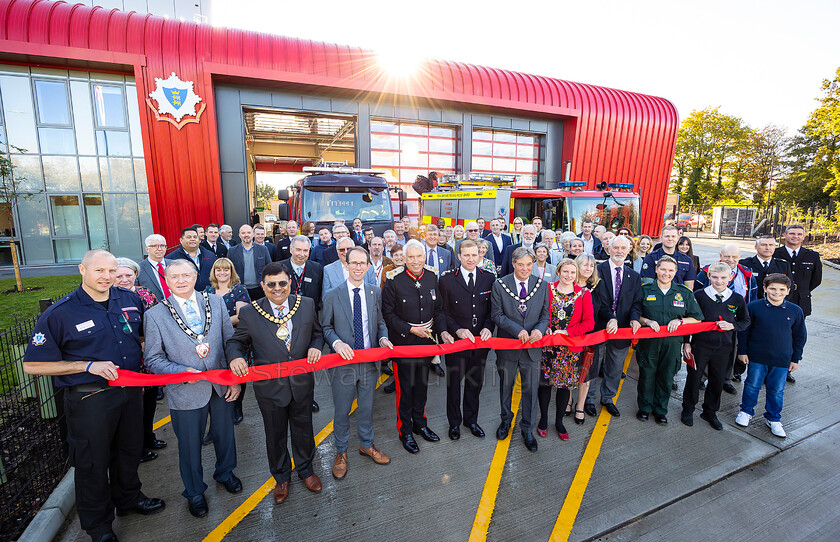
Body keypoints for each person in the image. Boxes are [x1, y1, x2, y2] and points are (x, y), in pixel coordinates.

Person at [22, 249, 165, 542]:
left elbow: (139, 335)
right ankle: (99, 526)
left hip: (130, 392)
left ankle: (128, 498)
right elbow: (32, 364)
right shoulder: (61, 313)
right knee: (92, 463)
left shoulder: (129, 299)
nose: (107, 277)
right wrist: (86, 365)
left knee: (129, 449)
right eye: (99, 270)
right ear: (82, 270)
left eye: (112, 271)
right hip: (90, 399)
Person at [144, 260, 242, 518]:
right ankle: (195, 491)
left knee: (225, 434)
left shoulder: (216, 303)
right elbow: (153, 359)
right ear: (166, 279)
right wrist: (178, 372)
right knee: (189, 444)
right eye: (174, 276)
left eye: (186, 275)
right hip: (185, 390)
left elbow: (231, 341)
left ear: (195, 275)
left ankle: (225, 472)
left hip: (221, 384)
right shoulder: (155, 314)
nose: (181, 280)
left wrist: (234, 378)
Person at [228, 262, 324, 504]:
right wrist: (236, 356)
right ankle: (281, 476)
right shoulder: (250, 312)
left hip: (301, 383)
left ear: (290, 283)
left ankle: (306, 470)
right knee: (275, 434)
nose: (278, 289)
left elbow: (317, 333)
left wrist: (315, 346)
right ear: (262, 285)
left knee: (304, 430)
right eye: (271, 284)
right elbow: (235, 342)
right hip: (270, 388)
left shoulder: (306, 304)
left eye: (283, 283)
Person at [321, 246, 393, 479]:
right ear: (347, 265)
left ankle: (366, 444)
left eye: (363, 263)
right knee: (342, 411)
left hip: (369, 363)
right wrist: (337, 344)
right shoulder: (332, 294)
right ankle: (341, 452)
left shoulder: (374, 292)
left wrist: (383, 337)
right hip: (343, 364)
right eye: (354, 263)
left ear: (368, 266)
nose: (359, 267)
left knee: (367, 407)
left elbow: (380, 321)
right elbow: (326, 327)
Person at [382, 240, 448, 454]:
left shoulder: (431, 276)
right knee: (405, 390)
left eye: (419, 256)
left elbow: (437, 308)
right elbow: (388, 314)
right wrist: (410, 330)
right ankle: (406, 430)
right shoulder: (394, 280)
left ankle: (420, 423)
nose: (416, 261)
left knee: (422, 386)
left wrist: (442, 331)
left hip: (427, 342)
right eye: (411, 257)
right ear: (404, 258)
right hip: (404, 343)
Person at [491, 246, 550, 452]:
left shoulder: (542, 285)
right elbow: (497, 315)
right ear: (513, 264)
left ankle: (528, 428)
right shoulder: (500, 285)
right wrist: (517, 330)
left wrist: (540, 331)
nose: (525, 269)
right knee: (506, 387)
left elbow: (545, 316)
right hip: (508, 347)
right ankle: (505, 420)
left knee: (531, 390)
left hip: (532, 349)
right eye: (521, 265)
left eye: (528, 264)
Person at [735, 274, 807, 438]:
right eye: (773, 288)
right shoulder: (754, 307)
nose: (777, 292)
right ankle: (746, 411)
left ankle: (773, 418)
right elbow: (745, 332)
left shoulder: (795, 311)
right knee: (752, 385)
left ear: (788, 291)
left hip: (782, 359)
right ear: (765, 289)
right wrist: (743, 351)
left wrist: (796, 358)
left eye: (782, 289)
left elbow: (800, 336)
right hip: (757, 356)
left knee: (776, 390)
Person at [680, 262, 750, 430]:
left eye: (723, 277)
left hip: (724, 347)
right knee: (694, 378)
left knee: (717, 381)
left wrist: (733, 326)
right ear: (709, 276)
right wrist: (687, 342)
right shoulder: (699, 295)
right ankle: (688, 409)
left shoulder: (736, 298)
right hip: (700, 346)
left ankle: (710, 411)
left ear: (730, 277)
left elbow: (745, 320)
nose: (719, 281)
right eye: (715, 277)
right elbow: (688, 319)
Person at [438, 240, 495, 440]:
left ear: (480, 255)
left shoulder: (488, 278)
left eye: (475, 254)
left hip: (480, 344)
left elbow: (492, 311)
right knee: (453, 385)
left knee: (475, 383)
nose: (471, 258)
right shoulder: (446, 280)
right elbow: (442, 311)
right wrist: (456, 330)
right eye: (467, 255)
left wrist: (488, 327)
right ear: (459, 256)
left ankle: (471, 420)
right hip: (456, 343)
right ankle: (454, 423)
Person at [636, 256, 703, 424]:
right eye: (663, 269)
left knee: (666, 377)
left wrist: (680, 321)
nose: (666, 273)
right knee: (647, 375)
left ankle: (660, 410)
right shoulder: (645, 289)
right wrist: (647, 321)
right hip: (649, 342)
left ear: (675, 272)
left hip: (673, 343)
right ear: (656, 270)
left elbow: (697, 318)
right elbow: (636, 314)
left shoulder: (683, 292)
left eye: (670, 270)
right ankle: (644, 408)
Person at [115, 258, 166, 463]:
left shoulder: (145, 294)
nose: (124, 279)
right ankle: (137, 448)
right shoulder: (110, 297)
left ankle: (149, 437)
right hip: (127, 359)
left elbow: (158, 319)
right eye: (119, 276)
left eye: (129, 275)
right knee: (133, 407)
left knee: (150, 401)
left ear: (136, 275)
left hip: (148, 357)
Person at [536, 258, 594, 441]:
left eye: (572, 272)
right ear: (558, 272)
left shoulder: (583, 294)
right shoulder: (546, 289)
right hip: (547, 347)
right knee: (544, 385)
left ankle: (559, 422)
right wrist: (543, 326)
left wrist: (567, 331)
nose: (569, 276)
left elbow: (589, 323)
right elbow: (538, 312)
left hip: (569, 349)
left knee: (564, 387)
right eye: (565, 272)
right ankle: (543, 419)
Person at [586, 236, 642, 417]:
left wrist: (634, 318)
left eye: (622, 248)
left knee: (615, 367)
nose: (619, 251)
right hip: (599, 327)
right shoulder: (596, 271)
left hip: (623, 330)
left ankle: (608, 398)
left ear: (629, 250)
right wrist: (610, 317)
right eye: (615, 247)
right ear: (609, 249)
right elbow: (596, 301)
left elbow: (636, 302)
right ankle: (588, 399)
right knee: (593, 365)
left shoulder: (634, 276)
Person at [773, 224, 822, 383]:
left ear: (803, 236)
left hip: (801, 303)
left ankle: (786, 369)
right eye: (792, 233)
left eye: (799, 234)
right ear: (785, 235)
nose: (795, 236)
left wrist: (801, 292)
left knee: (794, 337)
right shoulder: (775, 253)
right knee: (773, 335)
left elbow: (816, 280)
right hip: (778, 301)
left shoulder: (812, 256)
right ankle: (770, 368)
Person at [206, 257, 251, 424]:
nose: (222, 272)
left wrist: (217, 323)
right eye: (219, 270)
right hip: (213, 338)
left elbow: (240, 315)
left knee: (238, 370)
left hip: (235, 336)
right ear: (214, 272)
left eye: (226, 269)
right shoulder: (207, 291)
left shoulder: (239, 290)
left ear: (231, 272)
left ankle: (237, 406)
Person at [573, 253, 601, 424]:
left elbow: (604, 308)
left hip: (591, 338)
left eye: (591, 266)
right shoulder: (567, 283)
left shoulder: (597, 286)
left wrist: (612, 318)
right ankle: (567, 402)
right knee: (569, 372)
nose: (588, 269)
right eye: (585, 265)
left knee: (586, 374)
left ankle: (580, 406)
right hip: (570, 339)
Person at [280, 235, 324, 313]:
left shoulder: (317, 268)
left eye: (305, 250)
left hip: (310, 314)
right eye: (298, 250)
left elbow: (319, 291)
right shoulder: (279, 268)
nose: (302, 254)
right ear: (291, 249)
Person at [228, 224, 271, 301]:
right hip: (240, 289)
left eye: (248, 232)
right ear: (239, 235)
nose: (246, 235)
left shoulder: (263, 249)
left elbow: (269, 268)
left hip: (259, 289)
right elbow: (229, 270)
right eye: (243, 233)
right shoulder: (232, 251)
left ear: (253, 234)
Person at [740, 235, 791, 300]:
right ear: (756, 247)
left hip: (775, 304)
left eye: (771, 245)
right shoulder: (745, 264)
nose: (767, 248)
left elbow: (789, 286)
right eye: (764, 245)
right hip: (752, 304)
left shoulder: (783, 265)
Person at [168, 226, 217, 292]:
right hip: (185, 295)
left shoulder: (210, 255)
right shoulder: (172, 259)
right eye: (189, 237)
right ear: (181, 240)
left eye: (195, 237)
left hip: (210, 294)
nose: (192, 239)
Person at [138, 233, 170, 306]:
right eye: (154, 246)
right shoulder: (139, 269)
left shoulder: (174, 264)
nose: (159, 249)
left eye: (162, 245)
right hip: (154, 309)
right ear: (147, 249)